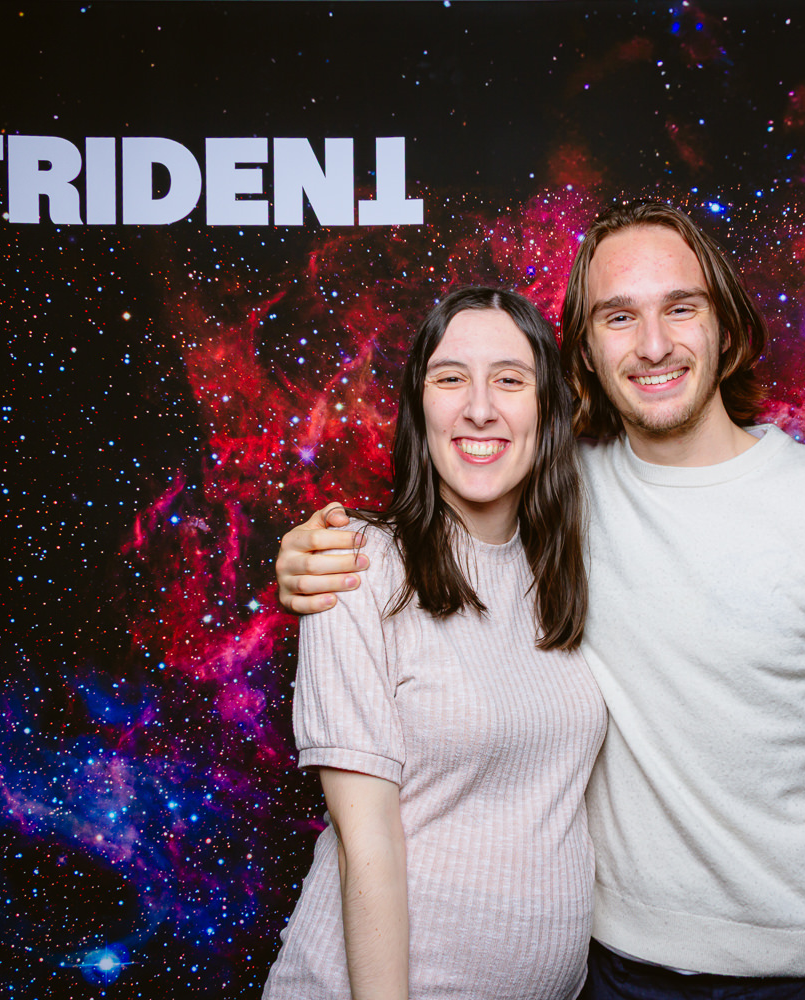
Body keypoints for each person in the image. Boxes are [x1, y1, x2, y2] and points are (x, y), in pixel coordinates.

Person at [276, 202, 805, 1000]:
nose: (654, 345)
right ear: (586, 357)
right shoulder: (563, 497)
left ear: (728, 329)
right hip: (617, 971)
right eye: (619, 317)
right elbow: (444, 521)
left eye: (682, 308)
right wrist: (305, 558)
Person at [261, 287, 606, 1000]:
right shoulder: (357, 564)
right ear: (420, 408)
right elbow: (366, 845)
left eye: (510, 379)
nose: (479, 407)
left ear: (549, 408)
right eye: (451, 378)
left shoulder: (571, 569)